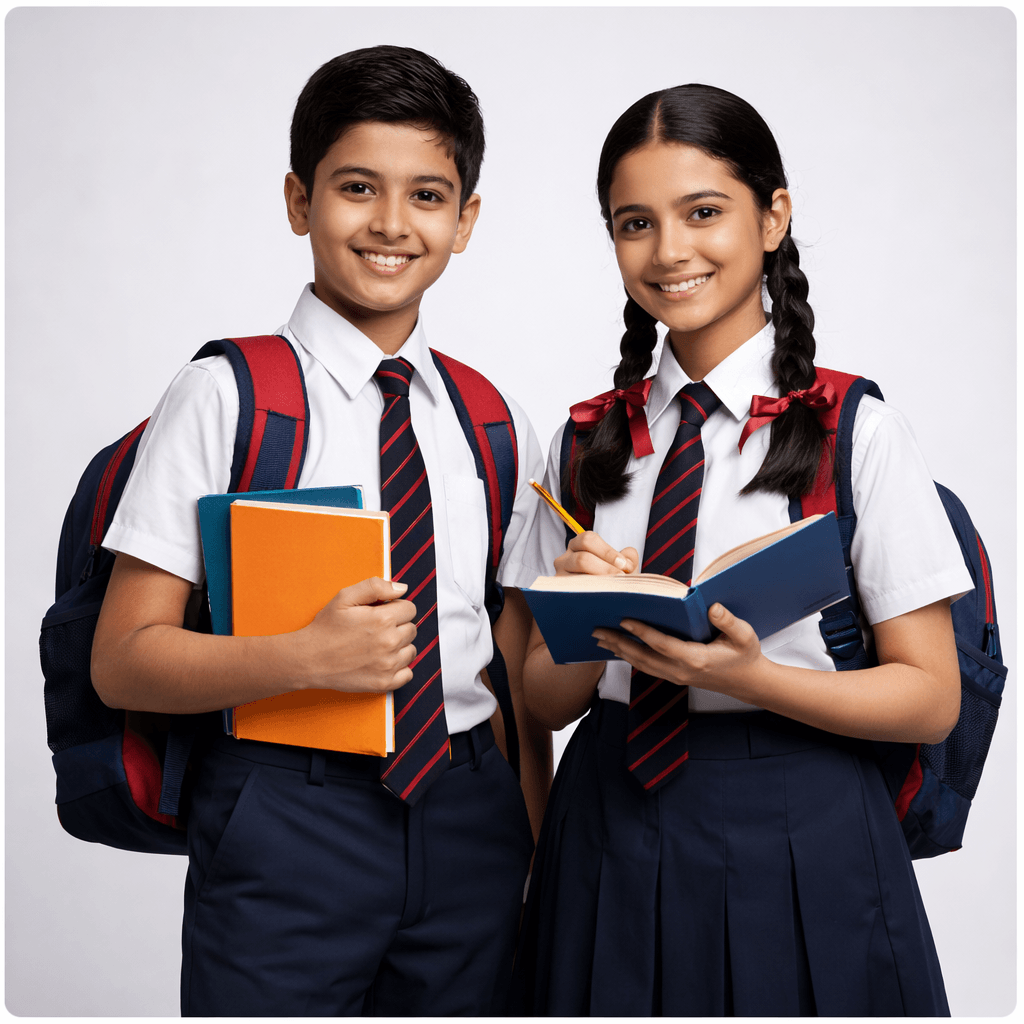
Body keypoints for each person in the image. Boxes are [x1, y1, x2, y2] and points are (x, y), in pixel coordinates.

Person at [90, 45, 552, 1016]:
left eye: (428, 195)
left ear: (466, 221)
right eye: (356, 188)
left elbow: (502, 666)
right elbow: (123, 659)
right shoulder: (227, 395)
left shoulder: (486, 416)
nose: (391, 224)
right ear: (300, 201)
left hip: (471, 814)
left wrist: (531, 840)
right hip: (287, 812)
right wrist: (303, 655)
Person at [513, 83, 972, 1016]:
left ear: (774, 217)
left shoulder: (858, 429)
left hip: (805, 813)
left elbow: (930, 697)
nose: (669, 250)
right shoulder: (582, 439)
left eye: (704, 212)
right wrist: (587, 614)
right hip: (611, 813)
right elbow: (541, 699)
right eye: (634, 222)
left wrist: (754, 677)